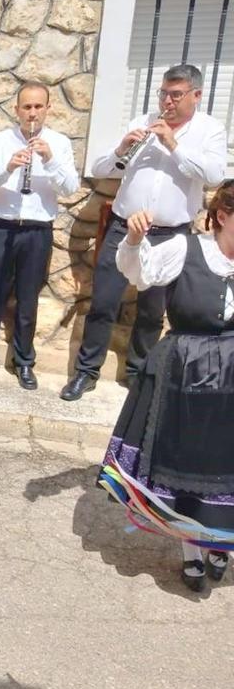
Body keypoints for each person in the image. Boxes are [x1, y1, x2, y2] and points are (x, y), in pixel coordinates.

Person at [61, 63, 228, 400]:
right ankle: (86, 372)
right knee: (103, 303)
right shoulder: (142, 121)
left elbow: (213, 175)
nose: (167, 101)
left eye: (176, 95)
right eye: (164, 93)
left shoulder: (210, 130)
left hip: (170, 234)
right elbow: (100, 169)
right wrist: (122, 148)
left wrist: (173, 144)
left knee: (152, 312)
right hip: (124, 228)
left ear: (196, 96)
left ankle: (138, 375)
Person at [101, 184, 234, 591]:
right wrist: (135, 238)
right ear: (224, 216)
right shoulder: (186, 249)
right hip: (185, 372)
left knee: (224, 464)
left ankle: (220, 543)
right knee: (185, 461)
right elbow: (139, 273)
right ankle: (191, 548)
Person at [0, 82, 80, 389]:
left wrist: (50, 159)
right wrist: (6, 168)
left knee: (28, 300)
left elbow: (70, 187)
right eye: (26, 107)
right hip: (1, 226)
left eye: (38, 107)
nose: (32, 113)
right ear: (17, 110)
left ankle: (24, 362)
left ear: (47, 109)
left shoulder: (59, 142)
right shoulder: (1, 141)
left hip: (37, 230)